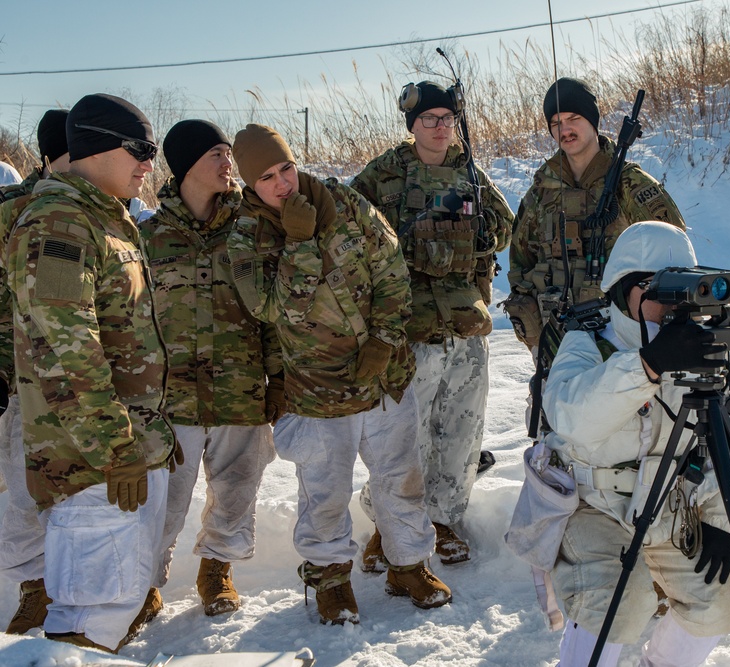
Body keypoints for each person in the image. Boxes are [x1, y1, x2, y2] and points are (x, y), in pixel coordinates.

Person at [227, 123, 450, 626]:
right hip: (319, 390)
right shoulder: (247, 236)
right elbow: (270, 308)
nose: (283, 183)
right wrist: (300, 244)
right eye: (267, 177)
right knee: (324, 492)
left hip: (384, 377)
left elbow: (391, 269)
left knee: (401, 478)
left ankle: (409, 565)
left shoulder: (343, 202)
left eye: (286, 167)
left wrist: (385, 338)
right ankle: (330, 580)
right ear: (249, 184)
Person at [537, 221, 730, 666]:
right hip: (594, 505)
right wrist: (648, 365)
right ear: (625, 288)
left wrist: (721, 518)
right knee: (617, 603)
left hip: (670, 504)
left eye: (677, 286)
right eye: (653, 286)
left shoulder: (710, 348)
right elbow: (571, 419)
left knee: (723, 599)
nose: (668, 301)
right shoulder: (589, 340)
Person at [5, 93, 179, 652]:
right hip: (93, 462)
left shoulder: (105, 218)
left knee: (111, 605)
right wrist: (114, 449)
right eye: (141, 149)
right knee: (87, 617)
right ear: (100, 146)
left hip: (124, 448)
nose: (149, 163)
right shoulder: (59, 222)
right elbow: (64, 348)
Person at [351, 80, 514, 569]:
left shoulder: (469, 171)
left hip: (465, 326)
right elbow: (349, 232)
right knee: (406, 439)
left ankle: (442, 521)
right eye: (430, 119)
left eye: (447, 118)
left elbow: (504, 227)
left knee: (460, 436)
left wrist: (475, 227)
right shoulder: (384, 175)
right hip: (409, 330)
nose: (440, 128)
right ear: (412, 124)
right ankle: (387, 522)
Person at [139, 120, 281, 619]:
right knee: (162, 501)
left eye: (227, 153)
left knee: (238, 490)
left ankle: (217, 570)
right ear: (184, 168)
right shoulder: (146, 240)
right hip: (168, 398)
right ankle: (145, 582)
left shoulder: (251, 229)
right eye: (215, 155)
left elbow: (272, 310)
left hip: (239, 390)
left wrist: (277, 377)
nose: (228, 164)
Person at [505, 77, 686, 351]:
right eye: (556, 123)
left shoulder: (628, 183)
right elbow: (520, 263)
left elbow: (674, 249)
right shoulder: (541, 192)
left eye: (573, 117)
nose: (565, 129)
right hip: (555, 340)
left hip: (622, 341)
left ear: (592, 120)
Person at [0, 108, 72, 635]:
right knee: (20, 491)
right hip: (11, 380)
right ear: (49, 158)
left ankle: (54, 588)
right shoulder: (11, 212)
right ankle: (31, 586)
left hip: (64, 385)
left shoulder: (103, 214)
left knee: (49, 493)